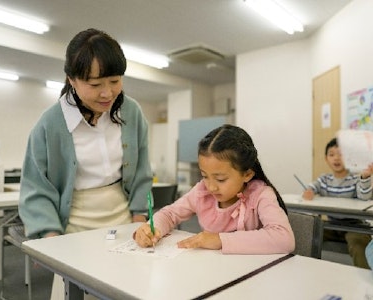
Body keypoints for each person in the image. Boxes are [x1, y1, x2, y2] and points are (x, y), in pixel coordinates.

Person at [18, 28, 153, 299]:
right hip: (74, 226)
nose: (107, 93)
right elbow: (36, 188)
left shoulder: (131, 112)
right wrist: (50, 238)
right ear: (72, 80)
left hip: (123, 218)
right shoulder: (50, 124)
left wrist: (139, 219)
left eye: (115, 81)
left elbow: (141, 172)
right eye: (95, 85)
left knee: (127, 287)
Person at [134, 124, 295, 254]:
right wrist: (152, 228)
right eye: (204, 175)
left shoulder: (261, 195)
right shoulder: (202, 192)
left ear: (247, 174)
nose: (210, 186)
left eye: (220, 179)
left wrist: (219, 239)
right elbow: (170, 214)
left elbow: (284, 239)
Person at [302, 137, 373, 269]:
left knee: (359, 245)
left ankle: (367, 284)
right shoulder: (324, 179)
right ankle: (305, 271)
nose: (336, 158)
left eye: (341, 154)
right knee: (308, 234)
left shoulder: (356, 178)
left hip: (355, 226)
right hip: (332, 225)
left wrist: (365, 177)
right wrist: (309, 191)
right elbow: (313, 186)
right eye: (332, 154)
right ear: (326, 159)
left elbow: (365, 196)